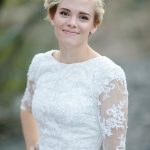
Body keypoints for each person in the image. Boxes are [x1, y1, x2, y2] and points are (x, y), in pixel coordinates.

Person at [20, 0, 128, 150]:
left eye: (83, 17)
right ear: (52, 16)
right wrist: (31, 145)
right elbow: (27, 107)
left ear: (95, 25)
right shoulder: (40, 63)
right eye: (64, 13)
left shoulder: (108, 74)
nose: (72, 23)